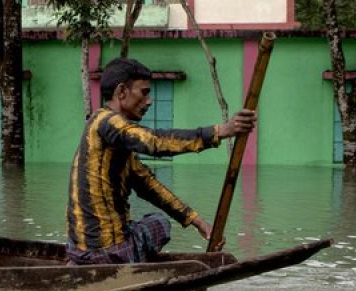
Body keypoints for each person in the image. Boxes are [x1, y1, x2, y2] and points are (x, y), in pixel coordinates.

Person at [66, 57, 256, 264]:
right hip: (107, 255)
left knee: (144, 221)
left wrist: (197, 222)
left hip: (78, 252)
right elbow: (154, 142)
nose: (149, 101)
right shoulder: (108, 122)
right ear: (122, 92)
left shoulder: (107, 132)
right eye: (144, 92)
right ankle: (127, 261)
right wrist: (220, 131)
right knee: (159, 223)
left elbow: (149, 186)